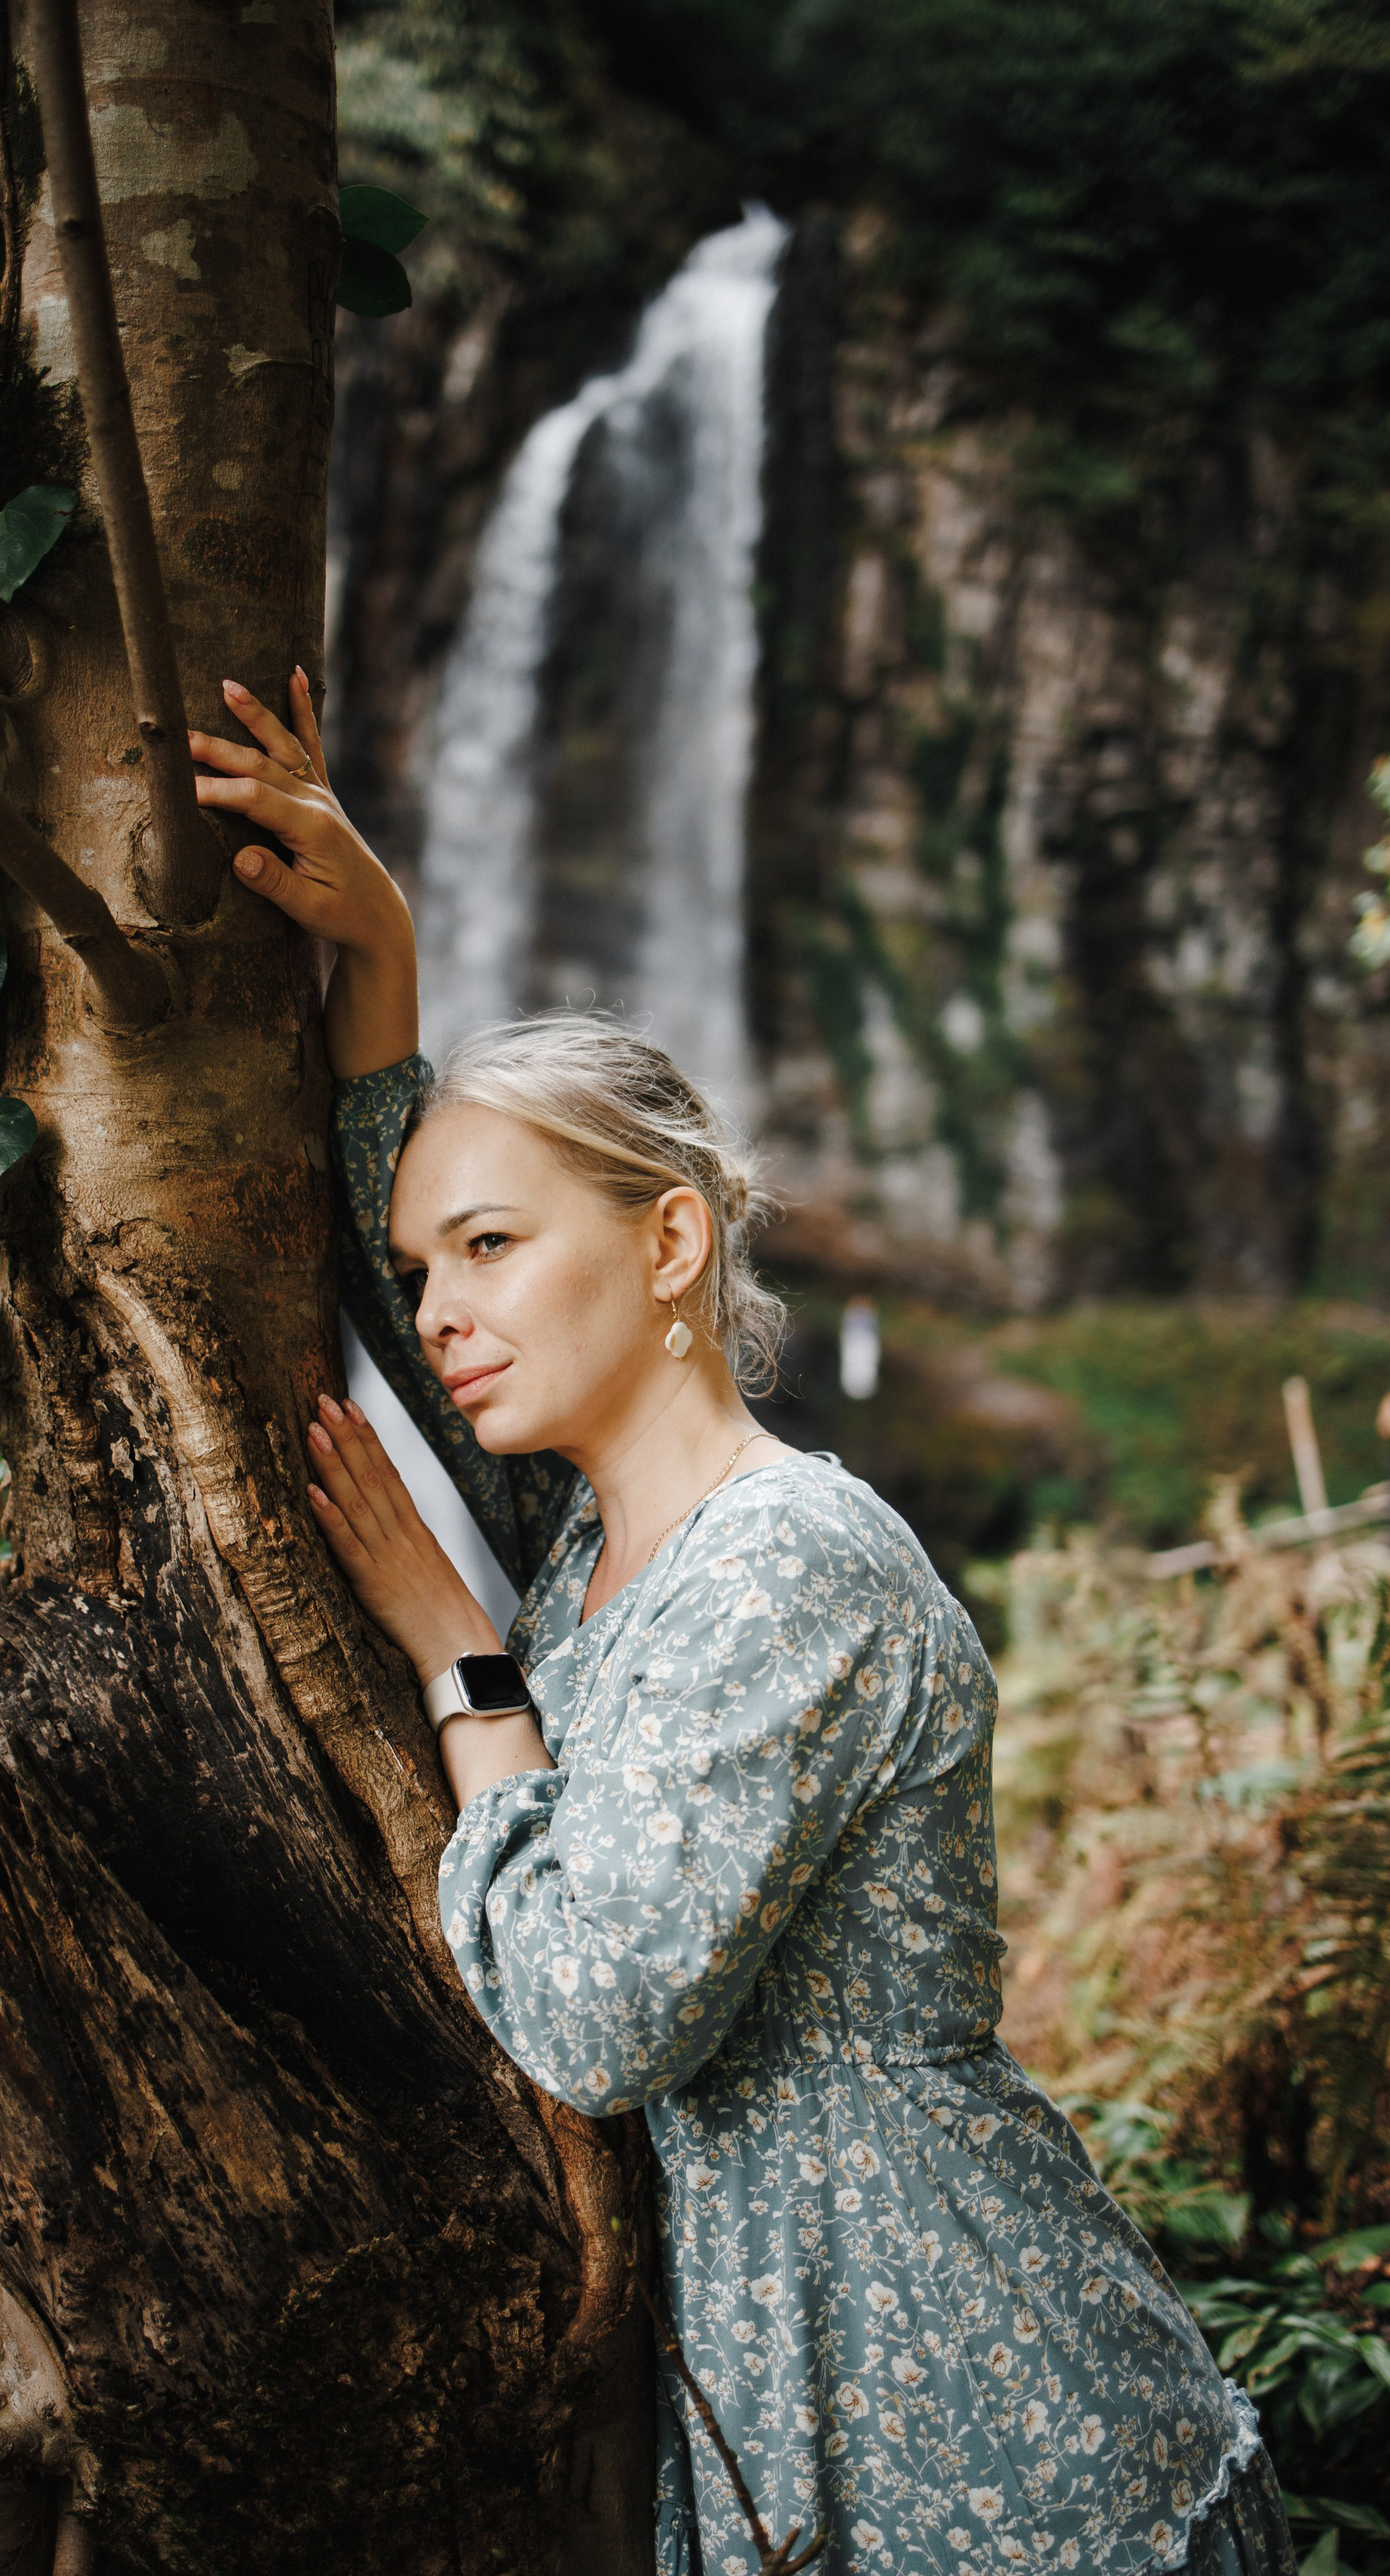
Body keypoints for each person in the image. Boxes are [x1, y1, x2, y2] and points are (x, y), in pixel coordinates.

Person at [190, 678, 1296, 2576]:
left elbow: (596, 2016)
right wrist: (378, 950)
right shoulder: (599, 1551)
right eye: (425, 1264)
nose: (441, 1308)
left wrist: (464, 1668)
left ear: (675, 1245)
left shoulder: (789, 1567)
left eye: (494, 1251)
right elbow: (394, 1252)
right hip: (815, 2435)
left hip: (1006, 2450)